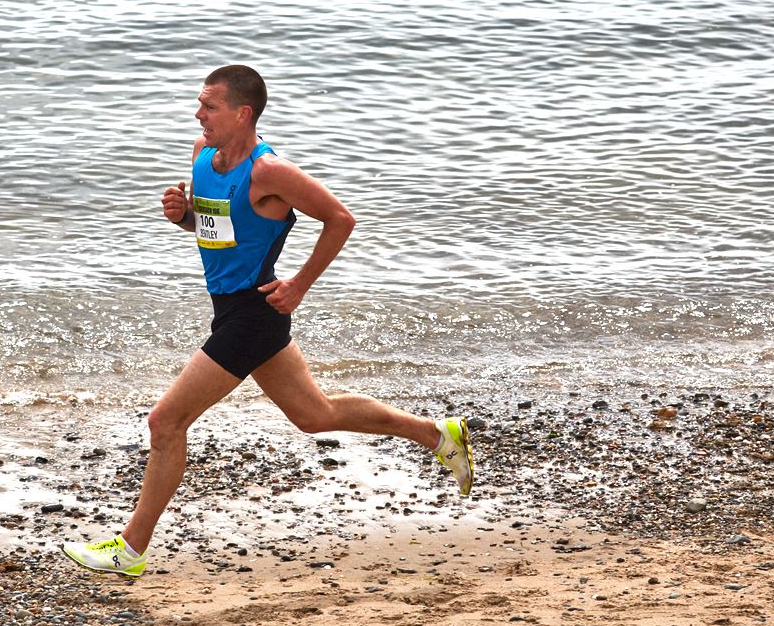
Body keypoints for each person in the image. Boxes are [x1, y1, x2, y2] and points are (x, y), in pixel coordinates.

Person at [63, 65, 474, 578]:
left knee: (165, 421)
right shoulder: (203, 157)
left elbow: (341, 219)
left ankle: (129, 550)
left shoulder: (269, 172)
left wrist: (299, 284)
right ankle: (437, 434)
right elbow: (219, 231)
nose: (199, 114)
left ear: (243, 113)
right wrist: (183, 217)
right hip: (231, 310)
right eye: (199, 104)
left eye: (209, 106)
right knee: (316, 415)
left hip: (254, 316)